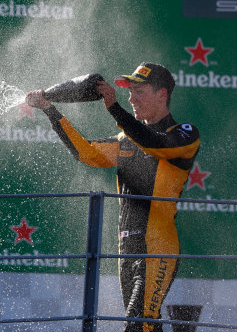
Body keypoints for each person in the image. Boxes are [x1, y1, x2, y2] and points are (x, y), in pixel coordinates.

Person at [25, 62, 200, 332]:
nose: (131, 98)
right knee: (146, 326)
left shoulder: (184, 134)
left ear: (162, 94)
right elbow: (86, 153)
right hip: (125, 247)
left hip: (157, 245)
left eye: (139, 90)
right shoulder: (125, 140)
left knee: (137, 325)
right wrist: (50, 109)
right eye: (129, 92)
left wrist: (114, 108)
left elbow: (155, 144)